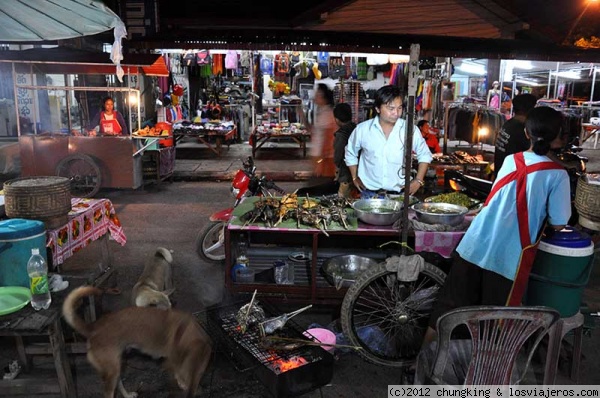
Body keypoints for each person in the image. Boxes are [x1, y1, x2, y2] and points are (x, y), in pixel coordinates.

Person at [422, 106, 571, 347]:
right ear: (558, 137)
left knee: (447, 310)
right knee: (493, 324)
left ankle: (421, 366)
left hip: (473, 245)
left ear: (526, 133)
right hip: (507, 259)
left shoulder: (513, 160)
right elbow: (559, 222)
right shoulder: (557, 175)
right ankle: (483, 378)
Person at [345, 85, 432, 198]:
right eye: (391, 108)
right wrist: (354, 177)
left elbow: (425, 154)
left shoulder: (410, 129)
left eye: (399, 108)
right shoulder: (363, 130)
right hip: (369, 194)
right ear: (377, 108)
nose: (396, 113)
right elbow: (350, 153)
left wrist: (419, 180)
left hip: (399, 195)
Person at [493, 93, 537, 178]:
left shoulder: (509, 124)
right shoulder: (521, 130)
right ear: (529, 109)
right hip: (511, 178)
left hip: (502, 175)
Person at [310, 83, 337, 178]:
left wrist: (320, 163)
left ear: (324, 98)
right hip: (320, 157)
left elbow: (327, 140)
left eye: (318, 95)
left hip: (325, 159)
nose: (315, 97)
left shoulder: (327, 114)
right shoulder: (322, 112)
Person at [332, 103, 357, 198]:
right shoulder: (357, 129)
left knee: (343, 199)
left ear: (337, 119)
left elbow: (337, 157)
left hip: (346, 175)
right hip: (360, 173)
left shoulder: (341, 135)